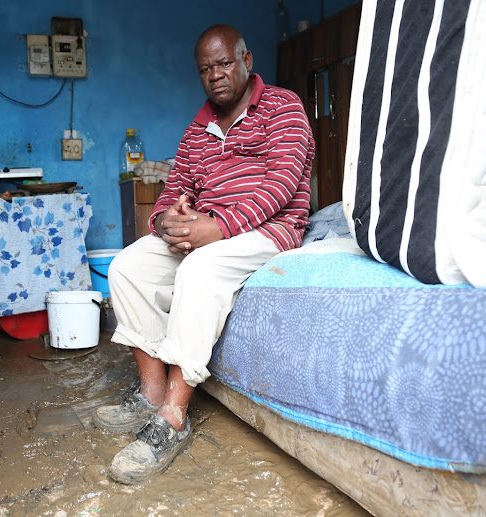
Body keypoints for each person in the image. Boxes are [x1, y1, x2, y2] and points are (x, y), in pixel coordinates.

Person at [94, 24, 315, 484]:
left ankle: (173, 416)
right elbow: (172, 191)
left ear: (247, 60)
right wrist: (166, 223)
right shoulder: (197, 129)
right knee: (127, 266)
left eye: (224, 63)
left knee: (198, 268)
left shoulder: (283, 107)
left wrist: (217, 228)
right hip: (207, 229)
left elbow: (282, 185)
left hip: (266, 229)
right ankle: (152, 392)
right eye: (205, 69)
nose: (215, 75)